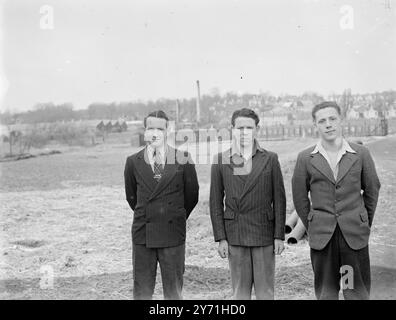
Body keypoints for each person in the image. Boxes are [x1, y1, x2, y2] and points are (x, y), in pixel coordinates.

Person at [292, 101, 381, 300]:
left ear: (341, 120)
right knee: (326, 292)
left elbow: (372, 189)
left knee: (355, 291)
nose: (328, 124)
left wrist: (362, 221)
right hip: (323, 238)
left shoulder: (360, 154)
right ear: (315, 125)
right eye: (322, 121)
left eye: (332, 119)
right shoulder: (305, 158)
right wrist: (312, 226)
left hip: (353, 236)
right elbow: (300, 198)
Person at [209, 108, 286, 300]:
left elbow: (279, 199)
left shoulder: (270, 159)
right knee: (240, 294)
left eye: (249, 127)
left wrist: (279, 236)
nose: (244, 132)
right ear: (232, 129)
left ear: (257, 129)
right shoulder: (220, 160)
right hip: (235, 235)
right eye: (240, 127)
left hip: (264, 234)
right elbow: (215, 203)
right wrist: (221, 238)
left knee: (265, 293)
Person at [124, 110, 199, 300]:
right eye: (151, 128)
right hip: (143, 235)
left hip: (173, 233)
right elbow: (132, 197)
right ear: (145, 131)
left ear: (168, 130)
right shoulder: (133, 161)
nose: (155, 132)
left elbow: (192, 196)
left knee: (173, 292)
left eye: (160, 128)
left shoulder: (183, 158)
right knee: (142, 291)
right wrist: (152, 212)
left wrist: (173, 215)